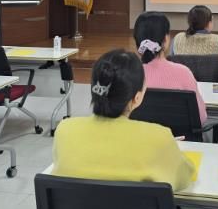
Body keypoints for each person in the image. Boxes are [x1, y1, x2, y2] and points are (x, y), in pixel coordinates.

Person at [52, 49, 194, 191]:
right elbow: (184, 178)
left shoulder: (65, 130)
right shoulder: (160, 138)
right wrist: (170, 149)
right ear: (137, 98)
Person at [133, 11, 207, 124]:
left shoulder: (129, 74)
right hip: (179, 135)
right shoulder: (183, 73)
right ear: (166, 39)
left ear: (137, 42)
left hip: (141, 135)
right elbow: (200, 118)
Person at [171, 5, 218, 69]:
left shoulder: (178, 39)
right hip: (212, 78)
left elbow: (171, 62)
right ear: (209, 22)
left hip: (183, 78)